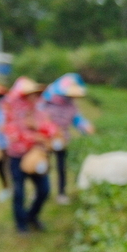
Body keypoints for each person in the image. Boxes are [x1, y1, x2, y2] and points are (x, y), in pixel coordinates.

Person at [3, 76, 57, 233]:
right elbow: (13, 135)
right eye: (29, 94)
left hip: (37, 155)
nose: (33, 97)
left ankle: (31, 216)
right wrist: (35, 136)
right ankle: (21, 224)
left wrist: (41, 131)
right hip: (17, 156)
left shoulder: (39, 111)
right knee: (19, 192)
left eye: (35, 94)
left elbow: (49, 129)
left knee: (44, 189)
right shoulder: (12, 112)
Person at [40, 72, 95, 204]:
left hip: (62, 138)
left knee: (61, 166)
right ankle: (41, 191)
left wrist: (85, 126)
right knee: (43, 164)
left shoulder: (71, 104)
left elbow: (77, 118)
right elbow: (40, 115)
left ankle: (61, 193)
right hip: (47, 137)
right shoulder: (48, 100)